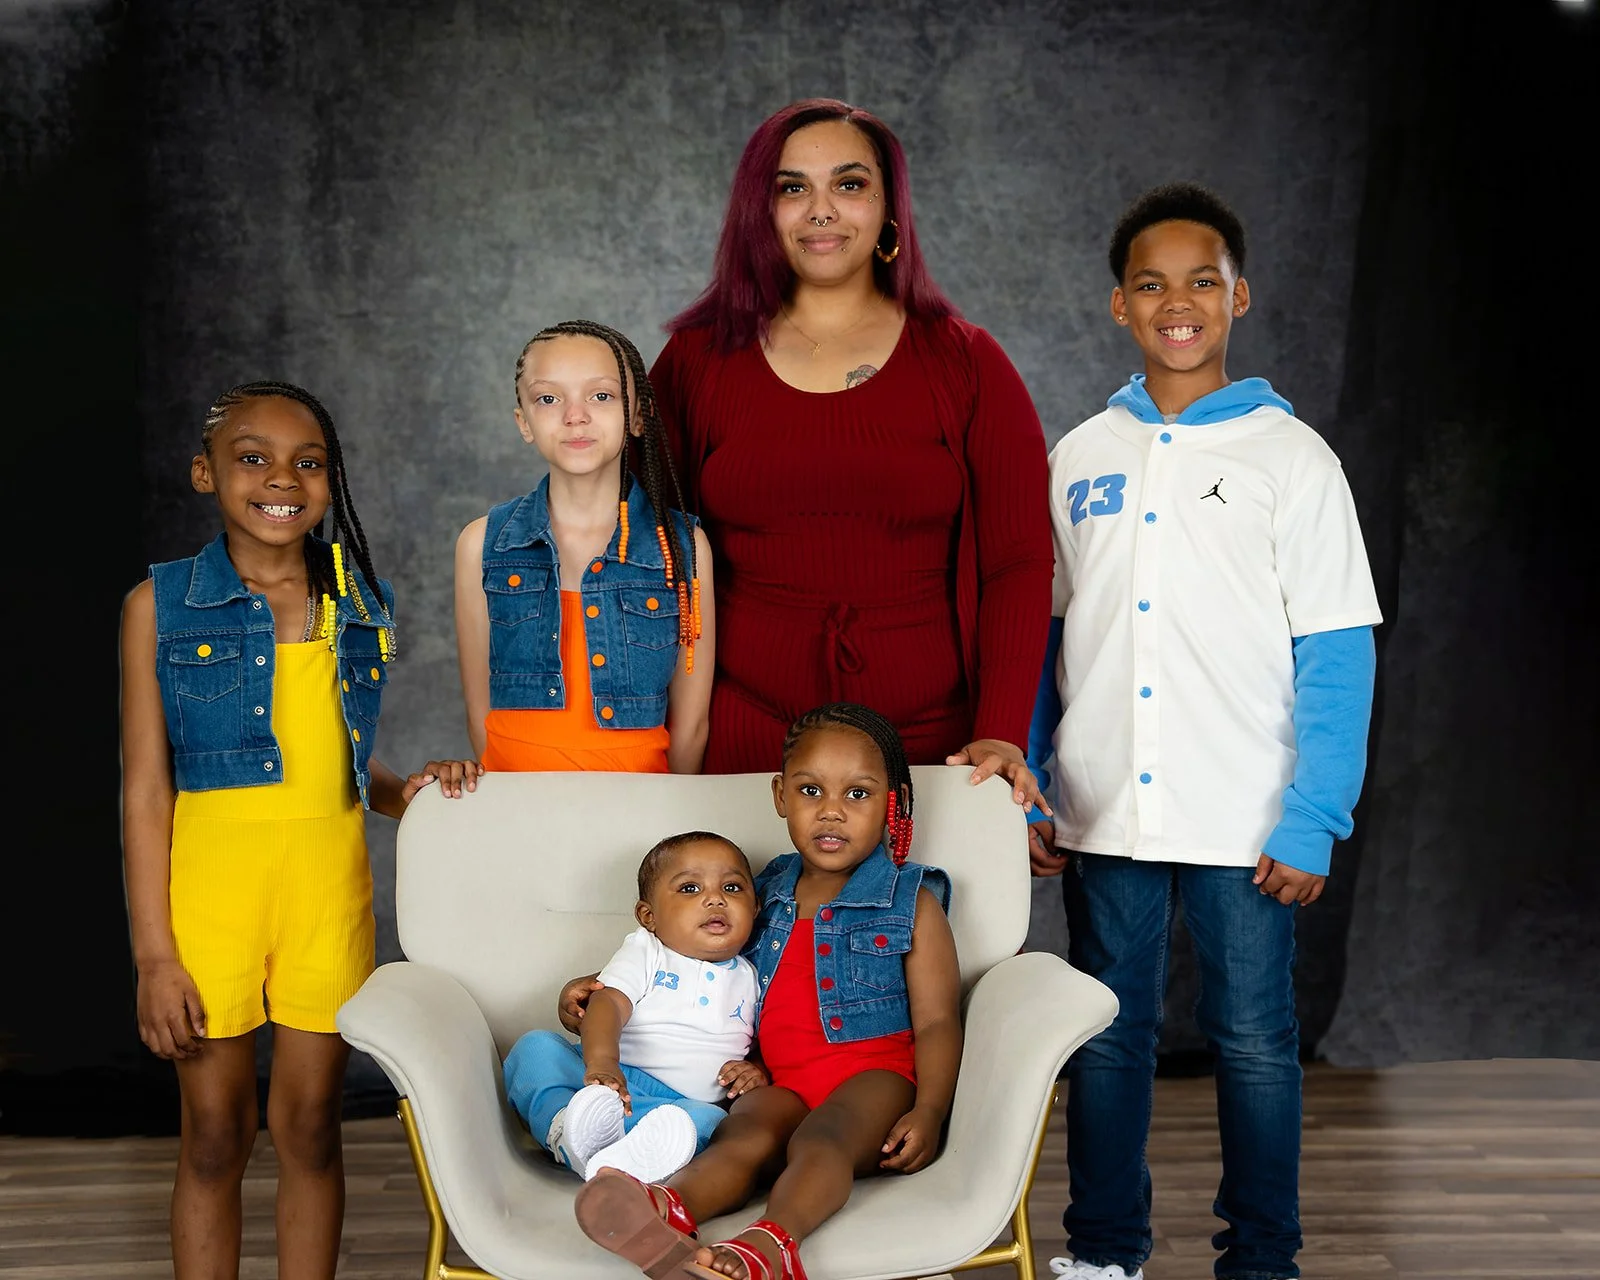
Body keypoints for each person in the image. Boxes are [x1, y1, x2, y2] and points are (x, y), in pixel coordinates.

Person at [1026, 183, 1383, 1280]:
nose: (1175, 303)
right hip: (1102, 808)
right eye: (1150, 284)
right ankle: (1104, 1251)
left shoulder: (1295, 459)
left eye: (1200, 282)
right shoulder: (1079, 453)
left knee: (1255, 1042)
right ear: (1118, 305)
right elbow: (1047, 636)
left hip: (1249, 813)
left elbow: (1338, 652)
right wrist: (1036, 775)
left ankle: (1262, 1259)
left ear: (1239, 295)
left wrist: (1315, 815)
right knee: (1107, 1036)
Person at [118, 381, 467, 1279]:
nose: (282, 479)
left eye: (308, 463)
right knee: (214, 1132)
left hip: (326, 902)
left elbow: (343, 763)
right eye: (253, 458)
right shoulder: (160, 605)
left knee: (311, 1127)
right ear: (206, 473)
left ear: (329, 481)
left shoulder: (358, 600)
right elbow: (147, 791)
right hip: (210, 907)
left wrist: (420, 795)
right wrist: (155, 957)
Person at [647, 97, 1054, 825]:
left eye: (850, 183)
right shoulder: (697, 360)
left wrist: (1000, 732)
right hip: (742, 742)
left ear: (889, 207)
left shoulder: (966, 362)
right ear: (761, 210)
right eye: (792, 187)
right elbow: (641, 549)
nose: (822, 210)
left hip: (931, 753)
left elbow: (1016, 563)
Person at [567, 701, 962, 1280]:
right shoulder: (760, 891)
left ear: (892, 802)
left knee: (823, 1138)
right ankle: (663, 1210)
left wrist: (930, 1109)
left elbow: (937, 1021)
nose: (831, 812)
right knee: (742, 1135)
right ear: (780, 795)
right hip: (782, 1081)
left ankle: (771, 1244)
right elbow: (697, 959)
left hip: (875, 1077)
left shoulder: (910, 902)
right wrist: (598, 987)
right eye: (810, 791)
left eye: (857, 794)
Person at [452, 319, 716, 778]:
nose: (575, 416)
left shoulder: (682, 548)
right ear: (524, 422)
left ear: (637, 416)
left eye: (601, 395)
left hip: (641, 805)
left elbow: (691, 726)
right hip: (518, 803)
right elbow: (480, 717)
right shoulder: (482, 543)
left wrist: (668, 812)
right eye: (548, 399)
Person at [501, 831, 766, 1184]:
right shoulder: (646, 951)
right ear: (648, 915)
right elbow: (608, 1002)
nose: (715, 899)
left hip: (680, 1105)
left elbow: (765, 1040)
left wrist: (755, 1070)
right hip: (611, 1079)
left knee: (711, 1122)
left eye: (731, 888)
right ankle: (563, 1127)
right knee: (535, 1048)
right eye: (690, 888)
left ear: (755, 908)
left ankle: (623, 1158)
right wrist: (603, 1063)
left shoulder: (754, 975)